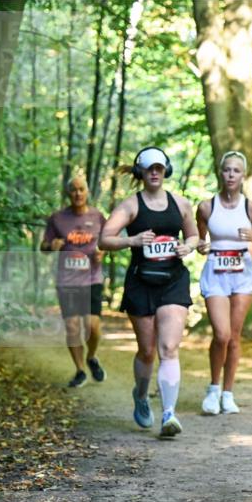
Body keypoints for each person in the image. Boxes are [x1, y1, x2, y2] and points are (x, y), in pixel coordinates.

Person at [99, 147, 198, 437]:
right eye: (148, 168)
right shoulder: (130, 206)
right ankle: (141, 396)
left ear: (166, 170)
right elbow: (104, 239)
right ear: (140, 172)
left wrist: (188, 246)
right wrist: (133, 240)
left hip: (173, 281)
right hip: (141, 283)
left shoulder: (180, 204)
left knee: (169, 348)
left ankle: (169, 414)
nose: (154, 172)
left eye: (159, 167)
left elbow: (193, 235)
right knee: (147, 351)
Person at [195, 151, 252, 415]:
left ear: (243, 176)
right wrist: (201, 247)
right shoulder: (207, 207)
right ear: (220, 172)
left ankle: (228, 394)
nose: (230, 175)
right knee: (221, 334)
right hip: (215, 272)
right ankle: (213, 389)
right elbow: (199, 242)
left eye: (236, 171)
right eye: (227, 170)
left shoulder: (251, 208)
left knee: (235, 338)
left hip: (242, 274)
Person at [40, 174, 108, 388]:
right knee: (72, 327)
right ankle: (80, 370)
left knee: (92, 326)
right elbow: (43, 246)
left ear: (87, 192)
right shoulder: (57, 218)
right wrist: (52, 246)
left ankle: (92, 357)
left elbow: (108, 241)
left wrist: (102, 252)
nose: (78, 193)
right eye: (73, 190)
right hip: (67, 280)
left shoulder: (98, 217)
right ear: (68, 193)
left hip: (92, 278)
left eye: (81, 189)